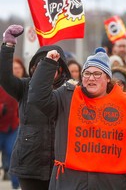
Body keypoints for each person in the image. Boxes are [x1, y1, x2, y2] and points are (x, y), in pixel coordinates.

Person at [27, 47, 126, 190]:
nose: (91, 78)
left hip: (112, 183)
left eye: (97, 74)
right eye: (87, 73)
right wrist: (48, 64)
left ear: (108, 78)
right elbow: (37, 97)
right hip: (70, 181)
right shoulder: (67, 97)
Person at [0, 25, 71, 190]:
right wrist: (8, 46)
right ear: (33, 68)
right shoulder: (24, 87)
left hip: (61, 165)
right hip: (30, 163)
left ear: (61, 70)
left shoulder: (69, 90)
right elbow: (4, 77)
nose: (45, 71)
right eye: (42, 65)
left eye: (52, 66)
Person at [0, 57, 28, 189]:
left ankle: (16, 185)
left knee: (13, 153)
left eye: (18, 68)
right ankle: (6, 168)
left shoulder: (28, 85)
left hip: (16, 127)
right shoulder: (3, 84)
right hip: (1, 125)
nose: (16, 71)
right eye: (13, 69)